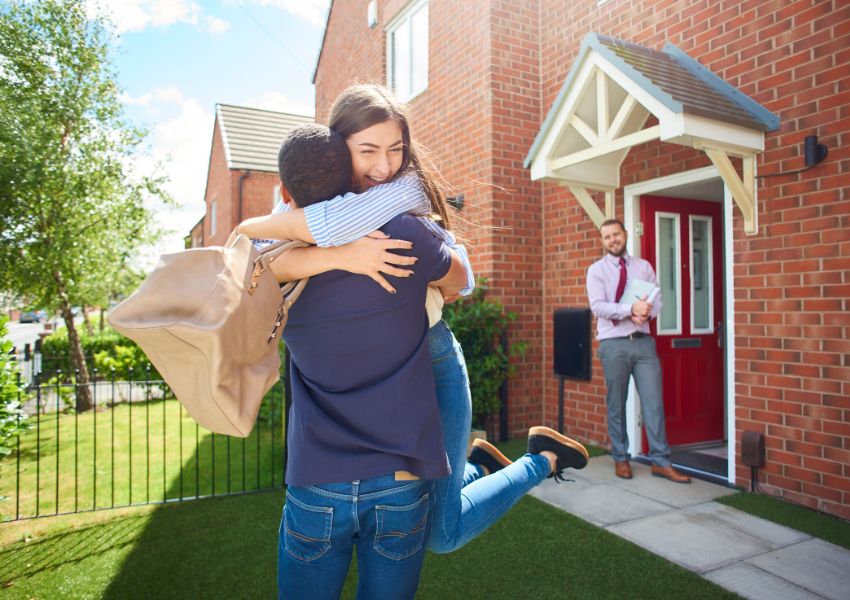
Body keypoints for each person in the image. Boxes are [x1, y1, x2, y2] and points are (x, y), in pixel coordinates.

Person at [238, 86, 588, 569]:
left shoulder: (398, 196)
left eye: (396, 149)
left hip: (433, 359)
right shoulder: (310, 205)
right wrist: (340, 255)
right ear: (337, 148)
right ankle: (476, 467)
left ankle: (541, 459)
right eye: (368, 151)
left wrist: (440, 268)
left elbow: (461, 280)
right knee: (414, 513)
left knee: (440, 536)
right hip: (378, 382)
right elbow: (256, 258)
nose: (384, 166)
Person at [586, 218, 691, 484]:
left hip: (643, 343)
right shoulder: (596, 271)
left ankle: (661, 462)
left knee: (654, 402)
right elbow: (598, 307)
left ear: (626, 234)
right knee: (617, 403)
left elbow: (657, 301)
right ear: (602, 241)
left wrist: (645, 314)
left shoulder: (643, 267)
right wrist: (630, 310)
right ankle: (621, 458)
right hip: (613, 345)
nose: (612, 240)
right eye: (607, 236)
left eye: (616, 234)